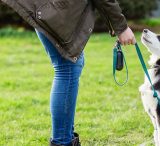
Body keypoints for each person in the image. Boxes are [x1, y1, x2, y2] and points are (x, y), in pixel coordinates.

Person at [2, 0, 136, 145]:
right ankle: (62, 141)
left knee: (72, 65)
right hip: (51, 9)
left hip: (49, 8)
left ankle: (66, 137)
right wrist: (121, 27)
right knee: (67, 70)